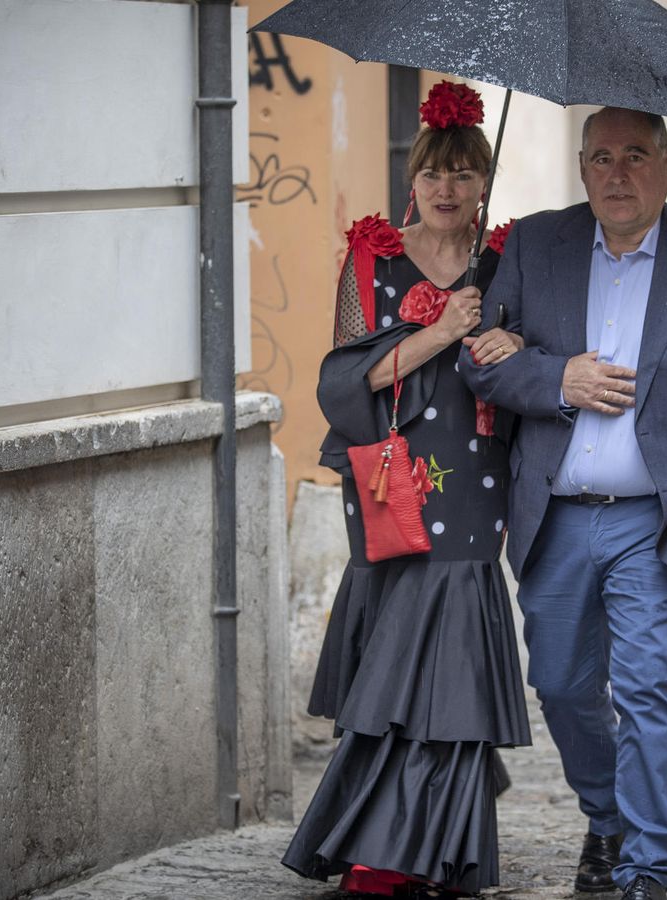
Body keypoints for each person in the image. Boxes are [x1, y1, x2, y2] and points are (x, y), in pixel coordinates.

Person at [460, 107, 667, 900]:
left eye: (635, 156)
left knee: (650, 688)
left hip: (655, 521)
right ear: (581, 167)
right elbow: (480, 363)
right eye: (601, 157)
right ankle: (606, 816)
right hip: (557, 515)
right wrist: (556, 377)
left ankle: (645, 871)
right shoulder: (536, 245)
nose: (617, 173)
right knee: (562, 684)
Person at [282, 80, 529, 898]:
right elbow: (349, 382)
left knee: (451, 657)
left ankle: (427, 852)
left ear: (482, 182)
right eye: (434, 174)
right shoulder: (371, 258)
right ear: (412, 177)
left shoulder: (507, 261)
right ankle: (393, 846)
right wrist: (441, 333)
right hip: (395, 480)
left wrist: (506, 338)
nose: (448, 190)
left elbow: (528, 365)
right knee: (401, 666)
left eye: (464, 175)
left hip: (474, 483)